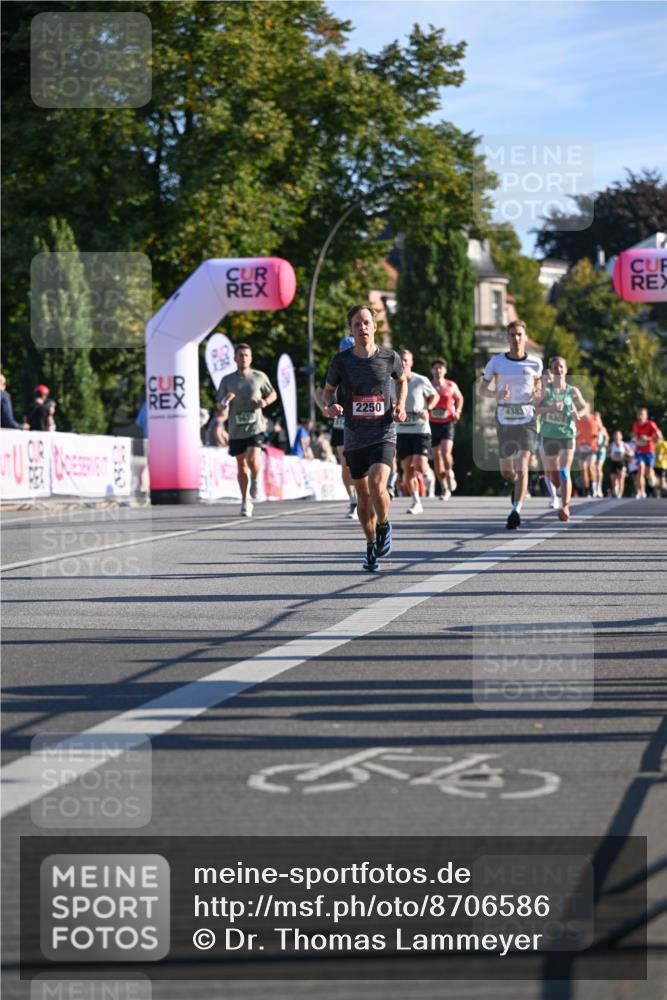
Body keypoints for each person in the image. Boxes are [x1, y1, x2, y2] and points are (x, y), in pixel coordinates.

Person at [323, 305, 406, 571]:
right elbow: (328, 391)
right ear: (351, 329)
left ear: (374, 326)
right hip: (355, 435)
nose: (363, 328)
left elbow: (402, 380)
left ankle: (383, 524)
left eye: (367, 322)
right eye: (357, 324)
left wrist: (400, 404)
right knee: (362, 495)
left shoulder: (388, 357)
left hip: (383, 431)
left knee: (377, 484)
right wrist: (330, 405)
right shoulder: (341, 361)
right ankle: (370, 544)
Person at [480, 319, 543, 530]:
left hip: (527, 417)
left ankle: (516, 510)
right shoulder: (496, 362)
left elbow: (539, 389)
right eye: (512, 335)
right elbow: (482, 390)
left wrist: (537, 395)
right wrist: (496, 394)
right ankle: (517, 485)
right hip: (504, 417)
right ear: (507, 338)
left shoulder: (535, 363)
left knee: (523, 463)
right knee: (507, 472)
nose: (516, 339)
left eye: (519, 335)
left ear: (525, 337)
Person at [217, 343, 277, 517]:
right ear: (235, 358)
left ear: (251, 358)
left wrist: (265, 402)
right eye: (240, 355)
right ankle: (245, 501)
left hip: (255, 426)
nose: (243, 358)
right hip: (236, 428)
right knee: (242, 467)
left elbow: (273, 394)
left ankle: (256, 480)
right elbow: (219, 407)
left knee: (253, 459)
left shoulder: (259, 377)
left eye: (246, 355)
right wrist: (225, 401)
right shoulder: (227, 380)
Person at [535, 356, 589, 521]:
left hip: (566, 434)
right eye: (555, 367)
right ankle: (559, 490)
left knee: (565, 470)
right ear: (551, 371)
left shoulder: (572, 391)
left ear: (566, 369)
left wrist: (578, 413)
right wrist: (551, 408)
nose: (558, 370)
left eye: (561, 367)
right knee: (554, 475)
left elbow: (585, 406)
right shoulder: (546, 391)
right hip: (549, 435)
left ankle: (565, 507)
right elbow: (534, 410)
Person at [316, 336, 358, 519]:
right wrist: (324, 408)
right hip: (341, 422)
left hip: (361, 422)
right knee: (345, 463)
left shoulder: (364, 367)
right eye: (345, 351)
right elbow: (318, 392)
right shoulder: (334, 370)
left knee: (360, 462)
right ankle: (353, 501)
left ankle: (364, 495)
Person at [392, 348, 438, 515]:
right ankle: (416, 501)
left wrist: (428, 408)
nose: (403, 363)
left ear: (411, 363)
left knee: (419, 464)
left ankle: (428, 473)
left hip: (420, 429)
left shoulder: (420, 380)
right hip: (401, 431)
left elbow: (435, 396)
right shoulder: (390, 381)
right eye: (400, 360)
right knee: (408, 469)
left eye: (406, 360)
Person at [429, 358, 464, 500]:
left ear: (445, 370)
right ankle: (444, 487)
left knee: (445, 452)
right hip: (432, 423)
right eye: (436, 368)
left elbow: (460, 398)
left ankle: (449, 472)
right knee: (437, 458)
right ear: (432, 370)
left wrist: (458, 411)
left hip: (448, 422)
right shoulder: (428, 385)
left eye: (441, 368)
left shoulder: (451, 385)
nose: (438, 371)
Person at [631, 406, 663, 498]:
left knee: (649, 473)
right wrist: (635, 439)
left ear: (646, 416)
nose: (640, 416)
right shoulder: (635, 425)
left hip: (649, 451)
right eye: (639, 415)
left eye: (642, 414)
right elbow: (634, 436)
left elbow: (659, 438)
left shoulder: (651, 424)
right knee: (640, 469)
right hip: (640, 450)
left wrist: (648, 438)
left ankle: (655, 480)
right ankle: (641, 492)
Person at [574, 409, 601, 498]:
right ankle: (587, 490)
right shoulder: (578, 419)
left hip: (592, 447)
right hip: (581, 448)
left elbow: (601, 429)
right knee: (583, 470)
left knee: (591, 467)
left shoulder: (594, 418)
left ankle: (595, 488)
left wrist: (597, 435)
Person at [608, 429, 633, 498]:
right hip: (613, 463)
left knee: (621, 478)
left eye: (618, 436)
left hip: (622, 463)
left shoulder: (624, 444)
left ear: (621, 437)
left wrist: (625, 453)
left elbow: (631, 453)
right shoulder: (612, 445)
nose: (617, 437)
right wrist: (611, 455)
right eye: (615, 435)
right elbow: (608, 454)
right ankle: (615, 490)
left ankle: (620, 493)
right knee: (613, 479)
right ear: (613, 437)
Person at [591, 412, 610, 498]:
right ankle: (594, 489)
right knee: (592, 468)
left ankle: (599, 488)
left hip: (601, 450)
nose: (596, 420)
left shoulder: (603, 429)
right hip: (594, 450)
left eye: (597, 418)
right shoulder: (591, 428)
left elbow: (607, 438)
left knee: (598, 468)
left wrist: (605, 442)